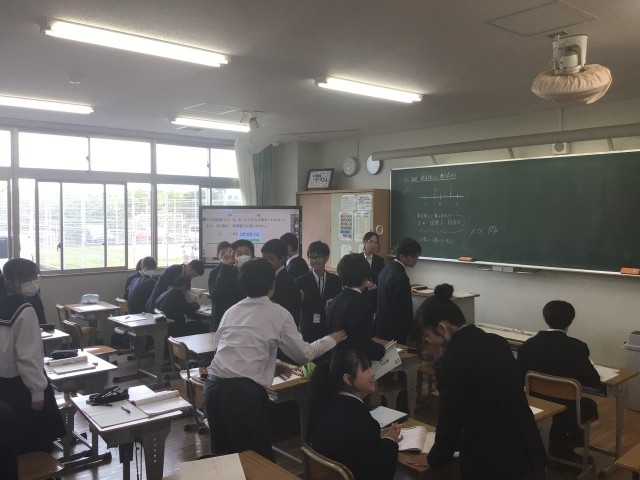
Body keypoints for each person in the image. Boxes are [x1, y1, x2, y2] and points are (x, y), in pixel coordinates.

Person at [204, 258, 347, 460]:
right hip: (242, 395)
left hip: (213, 388)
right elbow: (304, 355)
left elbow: (226, 347)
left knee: (225, 457)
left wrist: (272, 364)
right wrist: (330, 339)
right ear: (272, 284)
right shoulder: (278, 313)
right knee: (257, 459)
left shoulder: (232, 311)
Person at [412, 283, 546, 480]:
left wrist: (435, 460)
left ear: (442, 328)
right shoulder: (498, 342)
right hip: (528, 447)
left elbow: (451, 420)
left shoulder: (450, 362)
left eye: (427, 335)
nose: (428, 341)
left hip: (491, 461)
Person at [0, 259, 65, 479]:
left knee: (13, 445)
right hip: (23, 387)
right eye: (32, 278)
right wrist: (37, 392)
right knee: (36, 445)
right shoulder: (24, 309)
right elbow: (28, 358)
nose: (35, 282)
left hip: (4, 386)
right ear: (17, 281)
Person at [517, 300, 600, 462]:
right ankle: (564, 447)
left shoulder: (527, 346)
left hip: (536, 405)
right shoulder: (577, 348)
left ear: (545, 318)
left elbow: (519, 377)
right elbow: (593, 380)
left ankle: (552, 444)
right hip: (566, 412)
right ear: (570, 321)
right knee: (588, 405)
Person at [307, 350, 401, 480]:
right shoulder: (362, 421)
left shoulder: (324, 406)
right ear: (348, 379)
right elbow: (382, 474)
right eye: (366, 369)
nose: (373, 373)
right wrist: (391, 441)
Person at [328, 253, 385, 361]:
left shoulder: (335, 300)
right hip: (353, 364)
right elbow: (362, 346)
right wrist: (382, 350)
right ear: (365, 278)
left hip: (335, 361)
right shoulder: (364, 307)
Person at [375, 237, 421, 344]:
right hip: (395, 329)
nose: (416, 260)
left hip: (381, 325)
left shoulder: (385, 269)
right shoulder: (401, 276)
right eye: (414, 256)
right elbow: (404, 309)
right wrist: (410, 331)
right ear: (402, 256)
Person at [295, 241, 341, 343]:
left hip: (328, 328)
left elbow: (338, 303)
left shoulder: (336, 280)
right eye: (311, 257)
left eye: (317, 257)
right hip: (308, 329)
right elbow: (296, 307)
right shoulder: (300, 281)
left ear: (326, 258)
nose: (314, 261)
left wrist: (332, 307)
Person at [211, 239, 254, 330]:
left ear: (252, 256)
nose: (243, 256)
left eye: (247, 253)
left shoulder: (258, 273)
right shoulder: (226, 272)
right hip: (229, 322)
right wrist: (225, 266)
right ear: (233, 257)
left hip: (251, 321)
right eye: (239, 254)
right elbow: (216, 296)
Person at [261, 238, 301, 322]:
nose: (266, 263)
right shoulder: (265, 277)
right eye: (264, 259)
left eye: (271, 259)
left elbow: (291, 314)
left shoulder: (288, 283)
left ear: (282, 259)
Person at [361, 232, 385, 308]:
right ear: (364, 242)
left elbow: (382, 279)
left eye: (376, 242)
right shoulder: (357, 259)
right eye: (371, 242)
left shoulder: (380, 260)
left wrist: (372, 285)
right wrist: (364, 283)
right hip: (360, 296)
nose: (373, 245)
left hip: (374, 297)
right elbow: (353, 277)